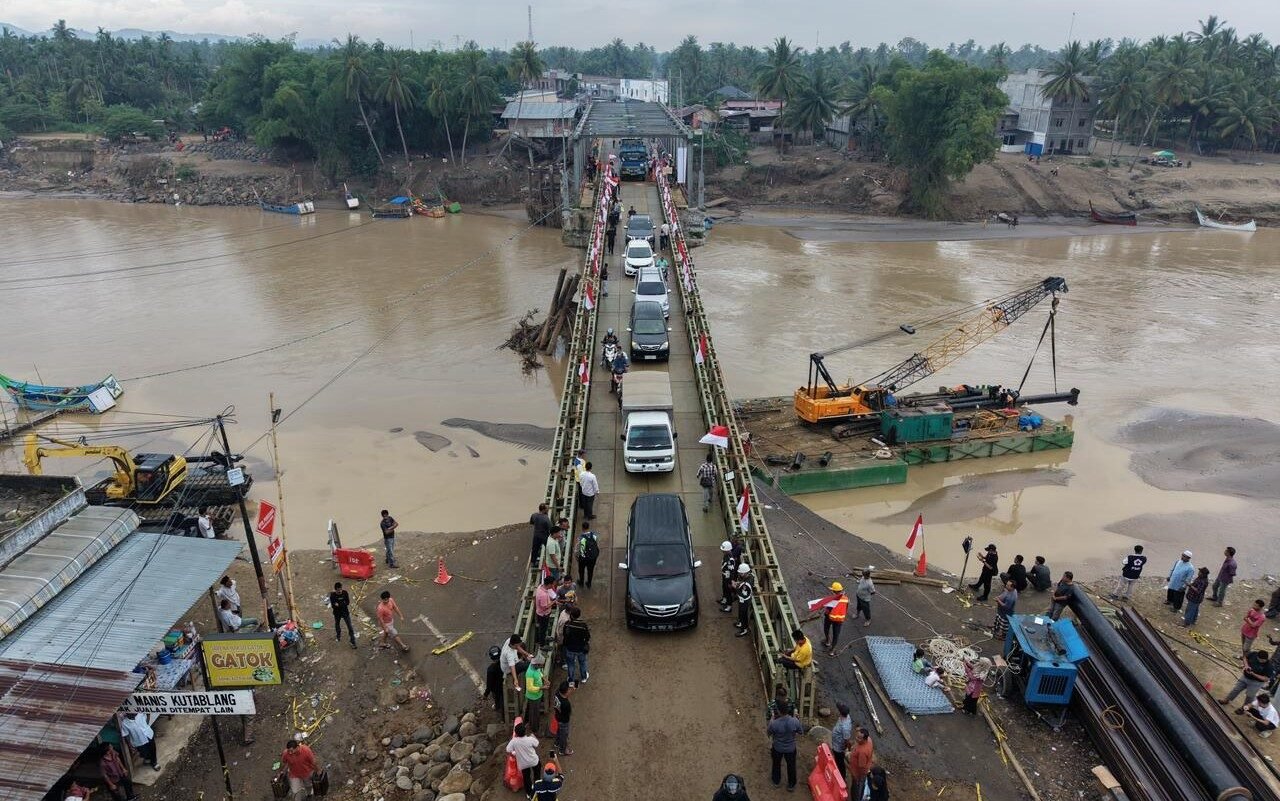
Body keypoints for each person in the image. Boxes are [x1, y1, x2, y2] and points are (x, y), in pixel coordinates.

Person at [766, 702, 804, 791]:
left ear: (778, 711)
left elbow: (768, 733)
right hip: (791, 748)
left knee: (776, 764)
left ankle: (776, 781)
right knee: (791, 766)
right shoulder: (794, 721)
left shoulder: (774, 723)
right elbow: (800, 732)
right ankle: (791, 784)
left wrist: (771, 719)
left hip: (777, 748)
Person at [505, 722, 541, 799]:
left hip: (523, 764)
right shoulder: (530, 739)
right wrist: (533, 736)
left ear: (516, 733)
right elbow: (537, 744)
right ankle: (537, 788)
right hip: (534, 760)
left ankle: (529, 793)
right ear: (525, 731)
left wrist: (514, 754)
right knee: (537, 774)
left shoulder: (514, 741)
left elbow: (508, 749)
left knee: (526, 777)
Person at [561, 607, 590, 686]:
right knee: (582, 663)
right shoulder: (583, 625)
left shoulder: (567, 624)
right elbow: (587, 637)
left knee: (571, 664)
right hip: (581, 648)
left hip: (570, 648)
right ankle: (584, 677)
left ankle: (571, 680)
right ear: (579, 615)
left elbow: (564, 635)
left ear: (571, 615)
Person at [820, 582, 850, 656]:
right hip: (839, 620)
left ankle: (827, 641)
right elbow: (846, 608)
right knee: (836, 634)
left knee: (826, 628)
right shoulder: (846, 599)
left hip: (830, 617)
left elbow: (828, 610)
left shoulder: (832, 599)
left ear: (834, 591)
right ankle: (832, 650)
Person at [849, 727, 874, 801]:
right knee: (859, 785)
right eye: (857, 736)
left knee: (857, 788)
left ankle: (856, 798)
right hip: (862, 769)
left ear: (864, 739)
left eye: (859, 738)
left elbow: (861, 767)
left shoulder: (862, 752)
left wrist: (856, 776)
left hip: (858, 774)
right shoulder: (869, 739)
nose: (856, 738)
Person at [829, 702, 853, 780]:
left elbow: (847, 740)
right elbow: (839, 705)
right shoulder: (846, 716)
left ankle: (842, 777)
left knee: (840, 762)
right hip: (836, 743)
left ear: (841, 713)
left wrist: (848, 748)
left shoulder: (845, 727)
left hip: (839, 747)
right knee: (838, 759)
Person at [524, 655, 546, 736]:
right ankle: (535, 730)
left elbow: (539, 673)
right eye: (541, 666)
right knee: (534, 714)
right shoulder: (530, 673)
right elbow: (530, 688)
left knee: (534, 711)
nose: (541, 667)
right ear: (537, 664)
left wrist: (544, 679)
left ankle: (532, 724)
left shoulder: (536, 667)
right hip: (533, 697)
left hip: (538, 694)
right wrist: (542, 687)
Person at [329, 582, 356, 648]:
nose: (340, 591)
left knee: (350, 627)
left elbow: (348, 602)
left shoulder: (345, 593)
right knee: (337, 624)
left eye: (341, 589)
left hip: (345, 612)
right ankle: (338, 636)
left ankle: (353, 641)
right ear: (335, 590)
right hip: (337, 613)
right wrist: (342, 603)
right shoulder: (332, 595)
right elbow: (333, 606)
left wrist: (339, 605)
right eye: (338, 590)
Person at [552, 681, 574, 754]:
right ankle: (562, 750)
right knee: (564, 735)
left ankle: (557, 743)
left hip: (557, 716)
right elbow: (569, 713)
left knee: (559, 731)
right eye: (569, 689)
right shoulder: (566, 704)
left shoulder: (557, 693)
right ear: (566, 692)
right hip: (564, 721)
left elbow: (564, 696)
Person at [733, 562, 754, 638]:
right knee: (741, 613)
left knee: (743, 615)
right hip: (743, 600)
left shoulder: (746, 584)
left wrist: (735, 586)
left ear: (745, 573)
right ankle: (741, 623)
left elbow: (743, 593)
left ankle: (744, 629)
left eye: (741, 573)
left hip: (744, 601)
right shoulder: (750, 576)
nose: (740, 574)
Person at [576, 522, 599, 587]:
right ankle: (589, 583)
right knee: (590, 571)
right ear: (588, 527)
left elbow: (577, 550)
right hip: (592, 558)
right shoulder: (594, 535)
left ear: (582, 528)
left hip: (583, 558)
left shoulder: (580, 538)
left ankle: (581, 582)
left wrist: (577, 557)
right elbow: (596, 544)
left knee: (581, 570)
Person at [484, 645, 505, 714]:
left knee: (497, 699)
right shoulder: (504, 663)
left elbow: (489, 685)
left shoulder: (491, 669)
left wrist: (486, 694)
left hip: (496, 690)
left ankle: (498, 707)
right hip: (505, 685)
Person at [718, 541, 737, 611]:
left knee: (728, 592)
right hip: (724, 576)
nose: (722, 551)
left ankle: (729, 607)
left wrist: (730, 581)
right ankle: (724, 600)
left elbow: (731, 571)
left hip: (728, 578)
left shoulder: (730, 559)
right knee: (724, 588)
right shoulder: (726, 555)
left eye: (724, 550)